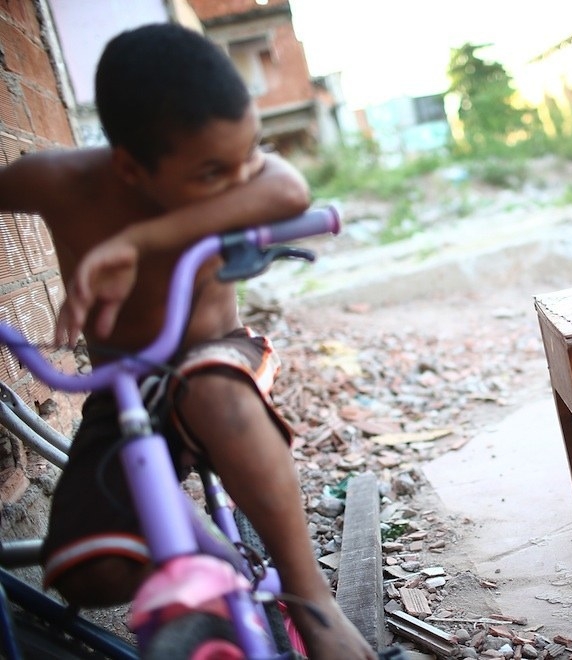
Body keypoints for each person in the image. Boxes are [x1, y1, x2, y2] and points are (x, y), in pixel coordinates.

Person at [0, 23, 375, 659]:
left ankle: (314, 604)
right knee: (84, 569)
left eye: (249, 154)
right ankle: (208, 571)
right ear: (129, 166)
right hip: (121, 392)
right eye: (211, 172)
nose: (240, 183)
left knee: (208, 391)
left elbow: (288, 188)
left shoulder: (249, 179)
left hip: (217, 358)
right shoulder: (64, 182)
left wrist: (139, 241)